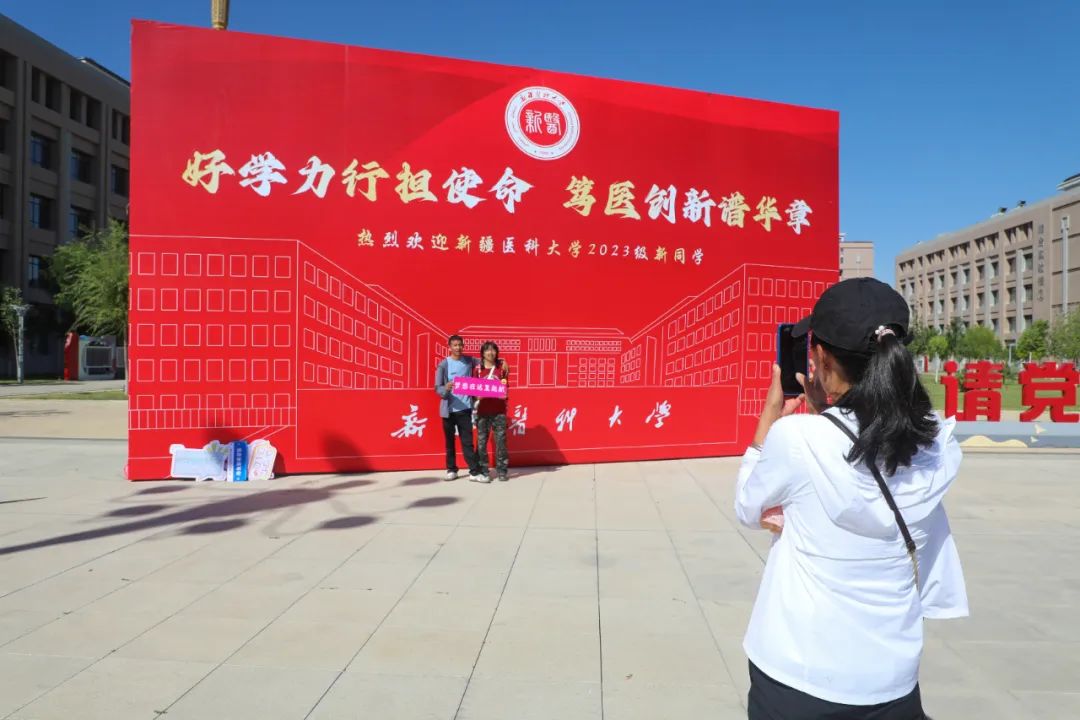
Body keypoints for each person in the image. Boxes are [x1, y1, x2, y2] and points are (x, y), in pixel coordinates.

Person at [735, 277, 967, 720]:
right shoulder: (935, 441)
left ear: (820, 356)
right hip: (891, 680)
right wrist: (830, 416)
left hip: (797, 673)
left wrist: (770, 418)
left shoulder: (798, 438)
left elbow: (749, 507)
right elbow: (865, 455)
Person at [434, 334, 483, 482]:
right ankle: (451, 470)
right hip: (448, 411)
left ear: (463, 346)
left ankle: (473, 472)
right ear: (449, 347)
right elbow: (437, 388)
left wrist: (501, 362)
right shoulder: (444, 364)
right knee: (450, 443)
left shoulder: (469, 361)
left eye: (460, 345)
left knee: (467, 442)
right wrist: (446, 388)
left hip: (465, 409)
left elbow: (486, 362)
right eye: (455, 345)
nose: (458, 348)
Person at [472, 341, 510, 482]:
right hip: (482, 411)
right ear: (482, 353)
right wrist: (477, 395)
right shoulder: (477, 369)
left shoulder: (502, 368)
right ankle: (484, 470)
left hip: (499, 411)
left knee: (501, 442)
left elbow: (505, 385)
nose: (490, 352)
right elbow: (473, 389)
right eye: (487, 350)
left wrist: (504, 393)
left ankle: (502, 471)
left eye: (493, 350)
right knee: (481, 443)